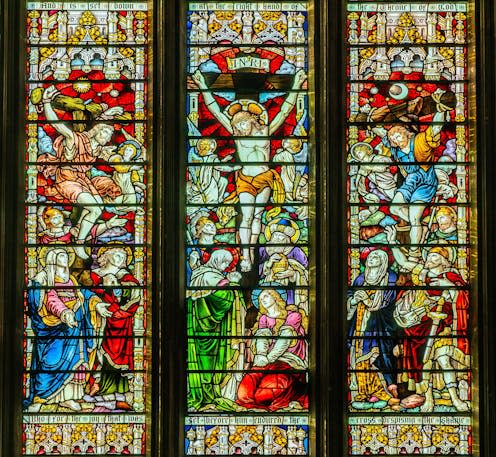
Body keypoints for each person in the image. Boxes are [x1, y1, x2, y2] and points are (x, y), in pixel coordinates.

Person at [192, 69, 307, 272]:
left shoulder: (266, 131)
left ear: (252, 119)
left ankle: (251, 250)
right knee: (246, 216)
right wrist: (202, 84)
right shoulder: (237, 135)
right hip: (245, 178)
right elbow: (216, 112)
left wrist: (297, 82)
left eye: (241, 122)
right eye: (236, 123)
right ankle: (246, 254)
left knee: (256, 216)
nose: (238, 126)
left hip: (264, 177)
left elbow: (285, 110)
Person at [385, 226, 470, 412]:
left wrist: (451, 288)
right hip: (420, 326)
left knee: (443, 359)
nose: (429, 259)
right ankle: (428, 398)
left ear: (445, 261)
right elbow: (404, 262)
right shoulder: (423, 273)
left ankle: (455, 399)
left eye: (434, 256)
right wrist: (393, 243)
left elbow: (464, 300)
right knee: (423, 363)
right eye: (429, 256)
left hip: (443, 326)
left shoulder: (451, 277)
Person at [38, 86, 125, 258]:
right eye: (106, 132)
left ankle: (79, 230)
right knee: (94, 209)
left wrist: (108, 116)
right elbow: (57, 125)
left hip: (82, 180)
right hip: (67, 179)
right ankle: (79, 243)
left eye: (109, 134)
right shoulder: (75, 139)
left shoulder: (97, 149)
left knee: (98, 207)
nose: (108, 137)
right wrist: (47, 102)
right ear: (97, 131)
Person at [24, 247, 111, 412]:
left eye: (66, 255)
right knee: (50, 362)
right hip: (54, 328)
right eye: (61, 255)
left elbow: (81, 295)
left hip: (75, 329)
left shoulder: (70, 278)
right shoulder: (44, 279)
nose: (65, 258)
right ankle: (41, 398)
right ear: (52, 259)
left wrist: (96, 303)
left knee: (75, 362)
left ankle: (68, 397)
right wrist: (64, 313)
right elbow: (50, 298)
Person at [372, 92, 451, 251]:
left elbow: (435, 129)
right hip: (409, 183)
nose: (394, 138)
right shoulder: (396, 150)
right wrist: (395, 110)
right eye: (392, 137)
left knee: (414, 218)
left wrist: (441, 110)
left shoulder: (420, 141)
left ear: (407, 132)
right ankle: (419, 225)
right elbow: (375, 125)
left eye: (396, 134)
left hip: (425, 183)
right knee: (394, 208)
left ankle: (414, 252)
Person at [187, 249, 245, 411]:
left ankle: (207, 395)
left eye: (228, 263)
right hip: (208, 330)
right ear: (215, 260)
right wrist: (232, 284)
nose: (226, 266)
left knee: (205, 364)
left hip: (202, 327)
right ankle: (207, 396)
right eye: (224, 262)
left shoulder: (199, 273)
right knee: (207, 363)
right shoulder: (210, 276)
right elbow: (220, 300)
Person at [84, 246, 141, 410]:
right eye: (116, 254)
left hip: (122, 324)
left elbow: (135, 299)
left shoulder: (128, 278)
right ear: (106, 256)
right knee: (99, 354)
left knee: (119, 359)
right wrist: (97, 305)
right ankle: (97, 389)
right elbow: (84, 295)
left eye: (122, 255)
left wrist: (120, 311)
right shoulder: (94, 276)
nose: (120, 258)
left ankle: (119, 394)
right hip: (99, 323)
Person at [236, 289, 308, 411]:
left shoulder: (293, 315)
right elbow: (262, 337)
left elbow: (285, 339)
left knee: (262, 395)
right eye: (260, 298)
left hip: (288, 364)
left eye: (266, 296)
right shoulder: (264, 318)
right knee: (243, 394)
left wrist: (269, 358)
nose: (262, 299)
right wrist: (261, 355)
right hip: (264, 363)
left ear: (276, 297)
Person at [347, 249, 399, 408]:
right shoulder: (359, 279)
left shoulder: (390, 278)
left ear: (383, 261)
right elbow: (349, 297)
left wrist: (368, 300)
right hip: (359, 326)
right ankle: (363, 393)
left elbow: (387, 303)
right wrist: (354, 300)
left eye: (376, 256)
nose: (371, 258)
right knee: (359, 359)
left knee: (378, 357)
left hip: (380, 326)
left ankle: (383, 393)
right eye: (370, 256)